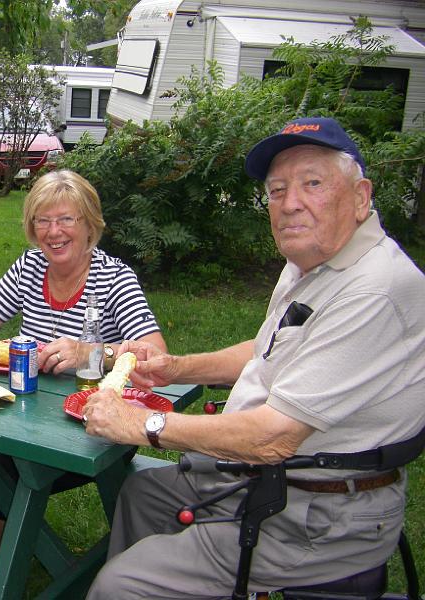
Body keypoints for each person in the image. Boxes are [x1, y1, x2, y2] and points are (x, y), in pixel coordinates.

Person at [84, 117, 425, 599]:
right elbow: (266, 351)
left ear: (361, 196)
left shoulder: (375, 290)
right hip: (266, 480)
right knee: (143, 494)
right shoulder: (312, 263)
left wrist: (144, 426)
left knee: (120, 585)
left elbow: (274, 438)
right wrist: (177, 367)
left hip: (317, 515)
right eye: (277, 189)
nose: (290, 204)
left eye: (313, 184)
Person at [0, 169, 167, 598]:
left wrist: (91, 352)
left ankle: (13, 563)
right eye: (42, 221)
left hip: (94, 426)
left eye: (67, 220)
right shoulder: (31, 267)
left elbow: (155, 356)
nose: (53, 232)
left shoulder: (113, 277)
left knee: (1, 469)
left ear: (89, 225)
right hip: (31, 416)